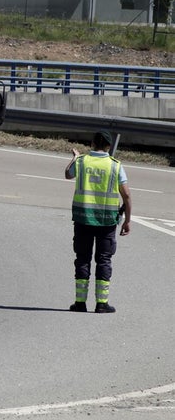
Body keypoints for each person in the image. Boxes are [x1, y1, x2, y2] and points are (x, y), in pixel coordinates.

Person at [64, 130, 131, 313]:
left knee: (82, 259)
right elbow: (126, 195)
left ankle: (80, 303)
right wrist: (127, 221)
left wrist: (75, 157)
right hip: (107, 221)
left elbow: (67, 175)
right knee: (104, 259)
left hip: (83, 218)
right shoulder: (115, 166)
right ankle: (102, 304)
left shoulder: (82, 161)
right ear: (109, 146)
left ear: (92, 144)